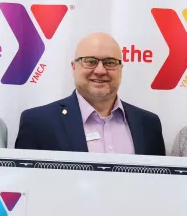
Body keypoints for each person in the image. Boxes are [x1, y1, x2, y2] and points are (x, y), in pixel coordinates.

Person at [15, 32, 165, 155]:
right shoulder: (38, 123)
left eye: (110, 62)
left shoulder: (148, 125)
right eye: (90, 61)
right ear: (74, 67)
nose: (100, 70)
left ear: (121, 68)